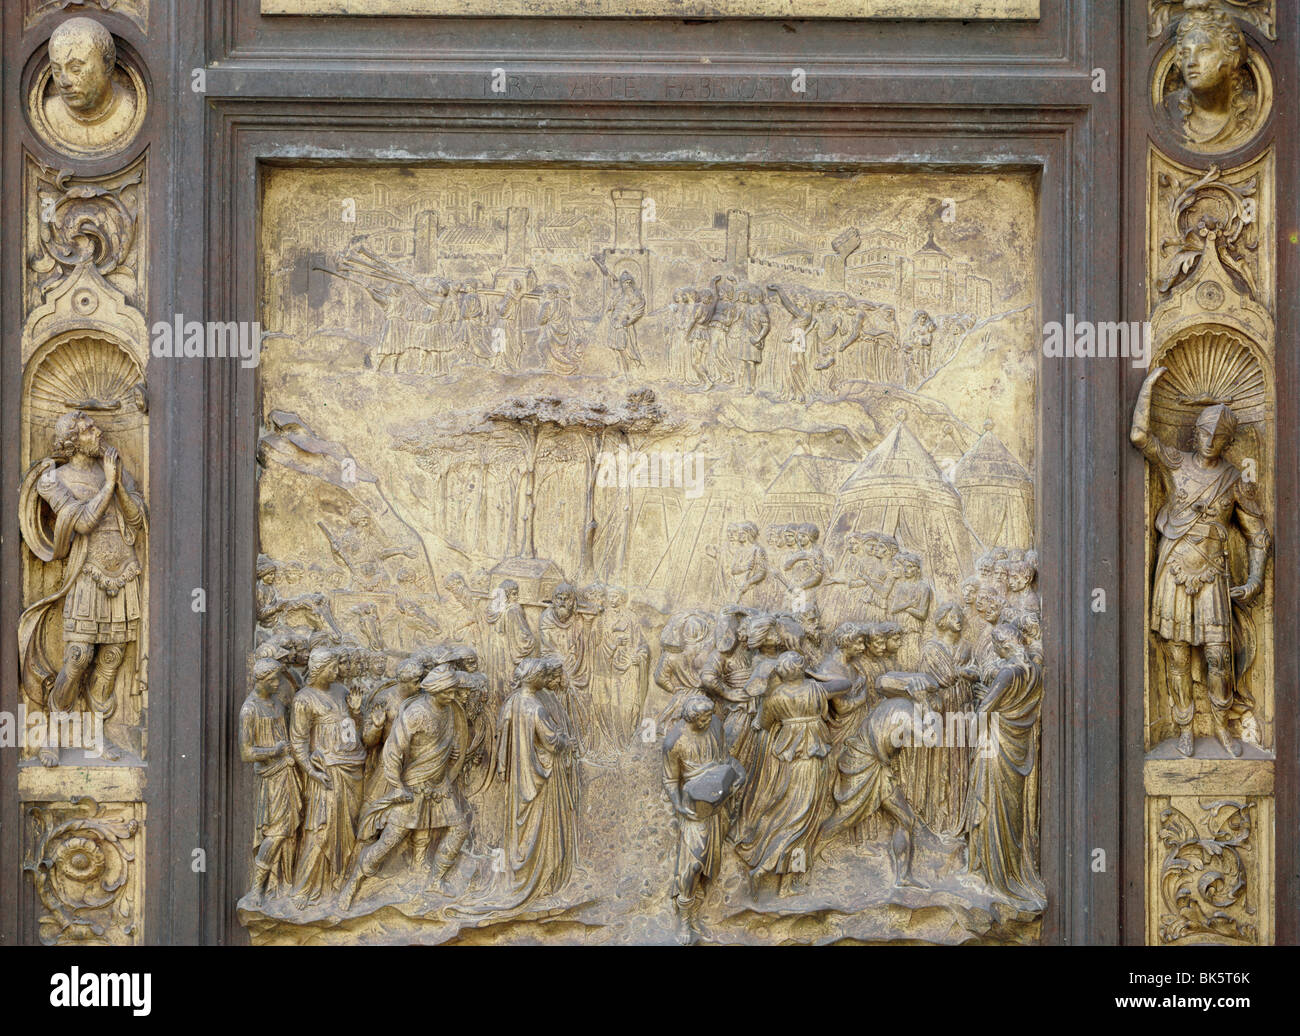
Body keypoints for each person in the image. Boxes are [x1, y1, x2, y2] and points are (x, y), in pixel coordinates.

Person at [1131, 366, 1270, 756]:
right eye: (1206, 433)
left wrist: (1255, 580)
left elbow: (1258, 534)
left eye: (1219, 437)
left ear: (1228, 442)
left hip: (1212, 575)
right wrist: (1147, 389)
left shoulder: (1233, 479)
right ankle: (1184, 724)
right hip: (1175, 569)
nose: (1211, 441)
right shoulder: (1176, 463)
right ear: (1196, 433)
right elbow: (1140, 436)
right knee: (1176, 654)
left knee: (1216, 656)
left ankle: (1223, 725)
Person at [18, 410, 146, 765]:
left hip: (122, 570)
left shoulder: (114, 470)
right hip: (87, 574)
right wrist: (108, 483)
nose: (97, 431)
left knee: (111, 657)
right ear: (72, 440)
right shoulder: (54, 480)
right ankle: (52, 732)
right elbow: (85, 522)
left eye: (94, 425)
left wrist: (119, 484)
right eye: (88, 428)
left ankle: (97, 737)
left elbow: (135, 518)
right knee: (78, 657)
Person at [340, 665, 472, 908]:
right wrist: (397, 786)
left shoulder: (449, 711)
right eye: (448, 692)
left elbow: (439, 743)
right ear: (435, 690)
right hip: (415, 785)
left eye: (453, 691)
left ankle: (436, 880)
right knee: (390, 840)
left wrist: (451, 752)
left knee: (460, 828)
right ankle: (353, 883)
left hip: (438, 784)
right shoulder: (416, 713)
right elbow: (392, 751)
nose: (452, 696)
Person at [735, 651, 850, 896]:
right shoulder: (815, 689)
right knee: (801, 820)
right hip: (813, 760)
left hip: (793, 759)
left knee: (797, 817)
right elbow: (845, 684)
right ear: (802, 669)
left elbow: (765, 723)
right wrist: (815, 675)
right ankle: (765, 870)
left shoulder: (775, 697)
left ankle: (789, 881)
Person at [961, 624, 1046, 911]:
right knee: (1009, 813)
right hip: (1016, 745)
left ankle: (993, 875)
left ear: (1001, 644)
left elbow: (986, 709)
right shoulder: (1033, 667)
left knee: (991, 808)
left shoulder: (1008, 673)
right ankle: (1008, 869)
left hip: (995, 746)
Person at [494, 656, 580, 903]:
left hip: (518, 779)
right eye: (543, 676)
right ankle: (540, 879)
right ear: (535, 679)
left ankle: (522, 872)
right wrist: (567, 742)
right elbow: (552, 743)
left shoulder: (511, 703)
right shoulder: (536, 708)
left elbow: (503, 739)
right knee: (541, 828)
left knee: (521, 827)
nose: (546, 679)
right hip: (538, 778)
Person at [289, 647, 365, 908]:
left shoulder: (342, 692)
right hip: (325, 773)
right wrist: (312, 771)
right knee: (321, 829)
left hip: (351, 769)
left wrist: (355, 712)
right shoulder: (304, 700)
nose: (337, 671)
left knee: (348, 828)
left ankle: (338, 882)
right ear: (319, 670)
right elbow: (298, 742)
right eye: (332, 667)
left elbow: (354, 729)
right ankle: (304, 889)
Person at [662, 695, 742, 942]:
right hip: (696, 809)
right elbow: (670, 779)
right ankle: (684, 921)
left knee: (712, 866)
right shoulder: (675, 741)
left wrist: (735, 775)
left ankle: (700, 914)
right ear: (691, 718)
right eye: (703, 718)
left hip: (719, 804)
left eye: (709, 716)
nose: (708, 721)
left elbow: (724, 757)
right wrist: (678, 805)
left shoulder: (715, 725)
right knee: (691, 866)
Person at [239, 657, 303, 904]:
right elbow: (246, 753)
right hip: (272, 778)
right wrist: (274, 751)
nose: (277, 684)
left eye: (278, 679)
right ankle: (257, 888)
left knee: (290, 832)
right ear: (260, 681)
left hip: (288, 773)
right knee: (276, 833)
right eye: (273, 680)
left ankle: (283, 883)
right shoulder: (250, 709)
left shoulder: (277, 703)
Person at [43, 17, 138, 151]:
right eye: (57, 70)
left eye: (75, 69)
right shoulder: (48, 114)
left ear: (108, 65)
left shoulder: (132, 109)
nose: (64, 82)